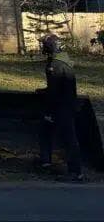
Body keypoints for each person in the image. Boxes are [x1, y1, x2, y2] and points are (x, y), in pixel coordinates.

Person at [38, 33, 83, 181]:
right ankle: (45, 163)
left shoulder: (54, 66)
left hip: (61, 107)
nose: (42, 47)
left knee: (68, 139)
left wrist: (50, 112)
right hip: (67, 105)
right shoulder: (63, 61)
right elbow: (61, 86)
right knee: (46, 132)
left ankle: (75, 172)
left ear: (50, 47)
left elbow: (55, 92)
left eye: (44, 45)